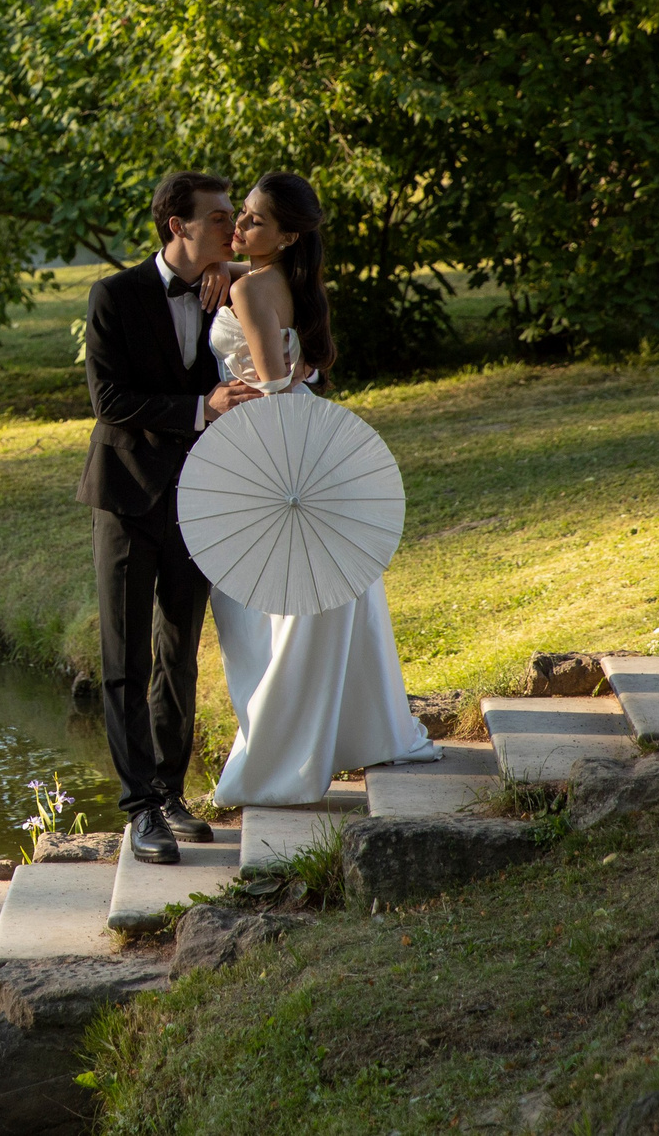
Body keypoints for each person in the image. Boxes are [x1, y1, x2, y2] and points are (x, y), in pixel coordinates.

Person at [196, 172, 437, 804]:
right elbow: (299, 373)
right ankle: (343, 732)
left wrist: (274, 480)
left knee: (259, 606)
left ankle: (279, 755)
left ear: (288, 233)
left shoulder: (250, 289)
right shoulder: (293, 283)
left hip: (273, 450)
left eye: (252, 220)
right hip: (308, 436)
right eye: (239, 217)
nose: (239, 228)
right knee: (313, 598)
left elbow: (274, 390)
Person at [78, 171, 264, 865]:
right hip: (127, 497)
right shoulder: (114, 296)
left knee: (178, 654)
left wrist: (235, 269)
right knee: (125, 658)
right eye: (218, 218)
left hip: (197, 499)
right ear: (175, 226)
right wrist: (199, 409)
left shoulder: (225, 289)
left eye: (233, 217)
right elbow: (111, 401)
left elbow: (283, 284)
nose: (232, 226)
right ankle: (139, 810)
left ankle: (171, 789)